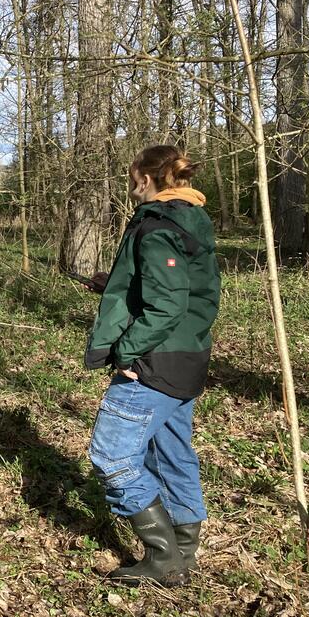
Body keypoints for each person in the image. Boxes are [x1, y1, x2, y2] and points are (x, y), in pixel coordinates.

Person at [82, 145, 220, 587]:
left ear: (144, 178)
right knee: (171, 452)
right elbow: (183, 288)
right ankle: (183, 544)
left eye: (132, 178)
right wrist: (118, 287)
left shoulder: (157, 228)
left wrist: (126, 352)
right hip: (188, 358)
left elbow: (167, 306)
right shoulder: (189, 218)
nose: (130, 185)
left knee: (112, 454)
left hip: (154, 364)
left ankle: (163, 556)